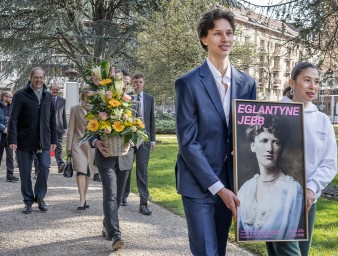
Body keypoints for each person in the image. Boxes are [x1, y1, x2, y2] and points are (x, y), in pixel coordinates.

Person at [175, 9, 256, 255]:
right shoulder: (187, 83)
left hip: (232, 183)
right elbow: (188, 143)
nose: (225, 39)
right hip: (198, 183)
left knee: (219, 249)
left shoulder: (248, 84)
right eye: (217, 33)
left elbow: (248, 135)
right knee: (206, 251)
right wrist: (217, 187)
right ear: (204, 38)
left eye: (229, 33)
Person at [266, 62, 337, 255]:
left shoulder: (322, 120)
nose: (313, 86)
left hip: (307, 201)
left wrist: (312, 188)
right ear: (292, 83)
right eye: (307, 80)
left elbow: (330, 162)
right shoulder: (271, 114)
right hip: (275, 200)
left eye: (316, 82)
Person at [238, 115, 304, 241]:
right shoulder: (245, 189)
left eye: (276, 142)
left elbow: (288, 242)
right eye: (264, 141)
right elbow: (241, 232)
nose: (269, 149)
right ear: (252, 145)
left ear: (282, 147)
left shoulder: (292, 190)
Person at [7, 67, 57, 214]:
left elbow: (52, 119)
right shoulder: (20, 95)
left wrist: (54, 138)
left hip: (44, 140)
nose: (39, 80)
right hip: (24, 140)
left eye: (41, 77)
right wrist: (12, 139)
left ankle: (40, 196)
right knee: (25, 171)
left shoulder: (47, 96)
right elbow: (13, 118)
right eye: (36, 77)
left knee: (44, 167)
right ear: (31, 78)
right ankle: (28, 201)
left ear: (44, 79)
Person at [122, 72, 156, 214]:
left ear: (143, 83)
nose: (138, 84)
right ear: (132, 83)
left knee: (142, 171)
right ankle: (123, 196)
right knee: (126, 169)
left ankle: (143, 203)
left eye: (140, 82)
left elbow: (151, 120)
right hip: (129, 138)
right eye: (135, 82)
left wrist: (153, 139)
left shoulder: (149, 98)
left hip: (144, 139)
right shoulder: (126, 98)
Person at [89, 137, 129, 252]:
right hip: (105, 157)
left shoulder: (135, 117)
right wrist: (96, 142)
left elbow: (141, 132)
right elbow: (90, 132)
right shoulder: (96, 116)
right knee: (110, 194)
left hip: (125, 157)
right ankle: (115, 235)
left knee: (118, 197)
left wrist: (131, 142)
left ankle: (107, 224)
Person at [66, 86, 99, 210]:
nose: (88, 99)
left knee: (88, 172)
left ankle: (84, 198)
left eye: (91, 97)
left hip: (91, 145)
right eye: (86, 96)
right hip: (78, 145)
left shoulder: (97, 110)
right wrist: (68, 148)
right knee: (81, 171)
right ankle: (81, 201)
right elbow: (71, 129)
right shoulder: (75, 109)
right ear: (82, 96)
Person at [0, 91, 19, 182]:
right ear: (5, 97)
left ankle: (10, 175)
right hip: (1, 134)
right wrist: (3, 128)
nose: (12, 99)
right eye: (11, 97)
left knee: (10, 156)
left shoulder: (12, 107)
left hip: (9, 135)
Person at [50, 83, 67, 174]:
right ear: (50, 89)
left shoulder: (62, 100)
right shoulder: (46, 99)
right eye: (54, 89)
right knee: (46, 147)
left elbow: (63, 114)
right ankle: (45, 165)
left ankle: (60, 165)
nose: (55, 91)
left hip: (58, 127)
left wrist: (65, 127)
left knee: (58, 147)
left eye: (57, 89)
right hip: (47, 128)